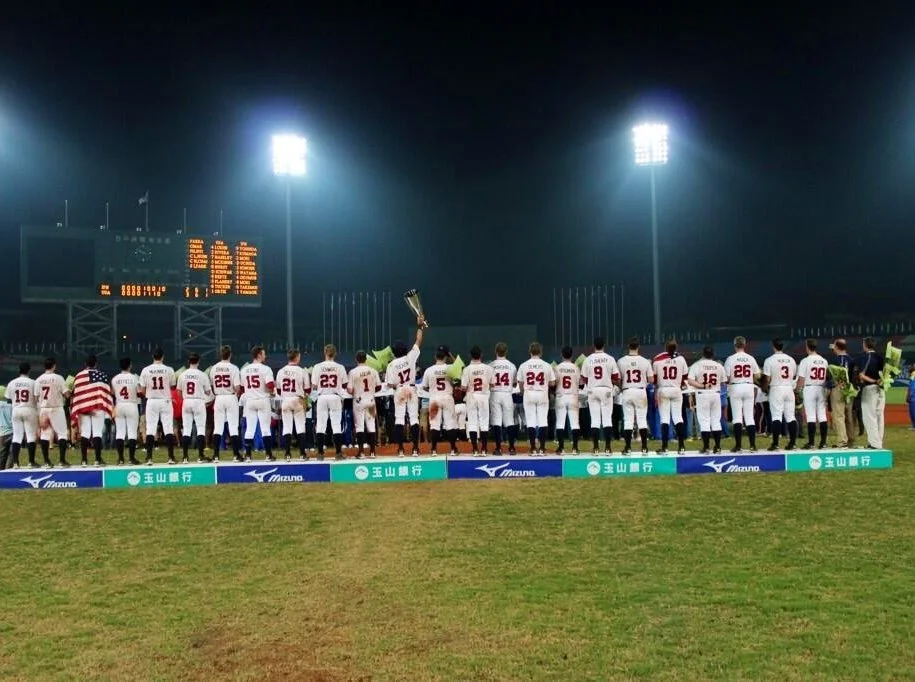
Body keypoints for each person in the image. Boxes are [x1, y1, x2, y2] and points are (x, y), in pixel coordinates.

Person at [384, 316, 425, 456]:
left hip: (400, 389)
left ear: (394, 352)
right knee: (414, 418)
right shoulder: (410, 357)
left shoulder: (391, 364)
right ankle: (415, 448)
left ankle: (400, 449)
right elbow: (418, 341)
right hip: (412, 388)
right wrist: (420, 326)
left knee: (399, 419)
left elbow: (389, 383)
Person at [70, 355, 113, 466]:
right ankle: (97, 459)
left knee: (85, 433)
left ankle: (84, 460)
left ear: (85, 363)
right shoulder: (102, 375)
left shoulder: (79, 376)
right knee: (97, 433)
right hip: (97, 406)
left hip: (83, 407)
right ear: (96, 363)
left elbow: (76, 393)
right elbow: (107, 392)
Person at [581, 336, 620, 454]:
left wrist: (592, 384)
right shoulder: (610, 358)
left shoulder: (588, 359)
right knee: (607, 420)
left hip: (593, 390)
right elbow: (615, 377)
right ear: (604, 345)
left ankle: (596, 448)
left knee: (595, 420)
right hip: (606, 390)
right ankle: (608, 447)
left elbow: (584, 378)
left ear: (594, 346)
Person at [516, 342, 555, 454]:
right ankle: (542, 448)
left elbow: (520, 382)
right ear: (541, 352)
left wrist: (523, 392)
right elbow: (552, 383)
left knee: (531, 421)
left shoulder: (524, 365)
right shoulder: (546, 365)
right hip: (542, 393)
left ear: (530, 352)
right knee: (543, 421)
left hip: (529, 393)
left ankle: (533, 448)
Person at [139, 348, 177, 464]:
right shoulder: (169, 369)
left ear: (153, 357)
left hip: (152, 400)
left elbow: (142, 390)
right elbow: (173, 387)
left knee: (150, 429)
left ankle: (149, 458)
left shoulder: (146, 370)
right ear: (162, 357)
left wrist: (151, 395)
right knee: (168, 428)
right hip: (165, 400)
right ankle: (170, 457)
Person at [724, 336, 762, 453]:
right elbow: (758, 376)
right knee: (749, 417)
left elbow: (727, 377)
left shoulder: (730, 359)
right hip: (748, 386)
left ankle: (738, 445)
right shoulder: (750, 358)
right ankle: (752, 445)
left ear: (735, 345)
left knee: (737, 418)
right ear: (744, 345)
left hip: (736, 386)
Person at [311, 344, 349, 459]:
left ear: (324, 352)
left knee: (321, 425)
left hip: (322, 396)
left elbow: (314, 385)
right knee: (336, 425)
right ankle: (338, 453)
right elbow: (344, 384)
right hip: (335, 396)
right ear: (335, 353)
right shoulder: (340, 367)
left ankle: (320, 453)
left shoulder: (317, 367)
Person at [617, 337, 654, 454]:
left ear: (629, 347)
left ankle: (628, 447)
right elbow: (651, 379)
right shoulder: (645, 361)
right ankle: (644, 447)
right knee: (642, 420)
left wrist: (621, 386)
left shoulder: (621, 361)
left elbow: (617, 378)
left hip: (627, 390)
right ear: (638, 347)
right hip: (640, 390)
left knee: (628, 420)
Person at [688, 346, 727, 454]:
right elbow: (724, 382)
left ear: (703, 354)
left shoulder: (697, 365)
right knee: (716, 421)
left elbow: (690, 381)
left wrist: (702, 385)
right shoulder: (719, 366)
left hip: (703, 393)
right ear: (713, 354)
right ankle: (718, 447)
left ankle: (706, 447)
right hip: (715, 393)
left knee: (704, 421)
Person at [240, 345, 276, 461]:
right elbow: (270, 385)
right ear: (259, 355)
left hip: (250, 400)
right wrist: (271, 391)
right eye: (264, 354)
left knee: (250, 428)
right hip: (263, 399)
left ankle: (248, 455)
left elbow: (241, 388)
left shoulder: (244, 369)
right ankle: (268, 455)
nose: (265, 356)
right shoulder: (266, 369)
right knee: (265, 428)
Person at [653, 340, 689, 454]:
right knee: (678, 417)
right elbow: (685, 376)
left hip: (663, 389)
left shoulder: (658, 359)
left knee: (664, 418)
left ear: (665, 347)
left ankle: (664, 447)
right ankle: (682, 446)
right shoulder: (681, 359)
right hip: (676, 389)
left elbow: (654, 379)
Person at [762, 338, 798, 451]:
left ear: (773, 346)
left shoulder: (770, 360)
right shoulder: (791, 360)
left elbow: (767, 378)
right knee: (791, 417)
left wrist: (764, 388)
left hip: (776, 388)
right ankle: (792, 443)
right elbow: (793, 376)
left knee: (776, 416)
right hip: (788, 388)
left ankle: (776, 443)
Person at [34, 357, 71, 467]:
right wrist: (69, 389)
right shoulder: (58, 378)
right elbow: (66, 394)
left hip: (44, 409)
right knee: (62, 434)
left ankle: (46, 461)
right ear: (54, 366)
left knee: (45, 435)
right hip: (57, 408)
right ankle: (62, 461)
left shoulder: (38, 379)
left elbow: (36, 397)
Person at [209, 345, 243, 462]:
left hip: (219, 397)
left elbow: (212, 385)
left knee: (218, 427)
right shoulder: (234, 368)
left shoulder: (214, 368)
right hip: (230, 397)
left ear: (220, 354)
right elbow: (237, 387)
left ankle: (216, 455)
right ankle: (235, 455)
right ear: (230, 355)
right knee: (233, 427)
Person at [276, 348, 311, 460]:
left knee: (287, 427)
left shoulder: (281, 371)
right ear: (296, 357)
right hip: (298, 399)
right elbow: (308, 389)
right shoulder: (302, 371)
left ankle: (287, 453)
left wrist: (279, 404)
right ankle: (302, 454)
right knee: (300, 427)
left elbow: (278, 390)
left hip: (286, 399)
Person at [422, 347, 458, 454]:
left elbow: (424, 387)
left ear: (435, 357)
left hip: (434, 398)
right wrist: (450, 353)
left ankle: (433, 449)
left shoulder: (429, 370)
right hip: (447, 397)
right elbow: (459, 366)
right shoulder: (450, 368)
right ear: (445, 357)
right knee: (450, 424)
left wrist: (432, 389)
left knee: (435, 425)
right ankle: (452, 449)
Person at [178, 353, 212, 463]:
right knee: (201, 428)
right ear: (198, 362)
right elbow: (208, 392)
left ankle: (185, 457)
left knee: (186, 429)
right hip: (198, 401)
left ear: (189, 362)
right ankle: (200, 456)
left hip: (187, 400)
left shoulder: (183, 374)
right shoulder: (202, 374)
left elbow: (178, 392)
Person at [797, 339, 830, 449]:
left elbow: (801, 379)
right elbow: (827, 377)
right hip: (821, 388)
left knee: (811, 416)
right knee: (822, 415)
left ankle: (811, 443)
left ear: (807, 347)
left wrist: (797, 390)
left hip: (809, 388)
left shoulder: (805, 361)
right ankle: (823, 442)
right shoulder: (824, 361)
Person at [460, 346, 493, 456]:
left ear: (470, 355)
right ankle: (483, 449)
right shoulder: (488, 368)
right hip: (483, 396)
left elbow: (464, 387)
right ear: (481, 355)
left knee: (472, 422)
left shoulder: (467, 369)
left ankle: (475, 449)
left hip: (472, 396)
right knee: (484, 423)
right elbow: (492, 384)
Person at [348, 350, 381, 458]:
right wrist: (371, 391)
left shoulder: (353, 372)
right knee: (371, 426)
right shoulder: (373, 370)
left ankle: (361, 452)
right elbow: (379, 387)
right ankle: (372, 452)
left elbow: (350, 389)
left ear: (356, 359)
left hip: (359, 401)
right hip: (370, 400)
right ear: (366, 359)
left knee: (360, 426)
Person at [6, 362, 38, 468]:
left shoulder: (12, 383)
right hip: (29, 409)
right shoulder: (33, 382)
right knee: (30, 436)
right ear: (29, 370)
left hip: (16, 409)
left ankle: (15, 463)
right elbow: (37, 398)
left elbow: (8, 398)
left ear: (19, 370)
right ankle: (31, 462)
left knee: (17, 436)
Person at [111, 357, 142, 465]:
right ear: (130, 365)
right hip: (131, 404)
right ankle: (131, 458)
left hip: (119, 404)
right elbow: (140, 392)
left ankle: (120, 459)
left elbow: (113, 393)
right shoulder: (134, 378)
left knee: (120, 432)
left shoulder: (115, 379)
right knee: (132, 433)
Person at [857, 337, 886, 449]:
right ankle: (878, 441)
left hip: (870, 389)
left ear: (865, 345)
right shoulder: (881, 357)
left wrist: (872, 380)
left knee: (870, 417)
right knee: (879, 416)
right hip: (881, 389)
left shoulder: (866, 357)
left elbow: (861, 375)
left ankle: (874, 444)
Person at [827, 339, 856, 448]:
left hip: (838, 389)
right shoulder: (852, 360)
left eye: (834, 346)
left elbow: (830, 378)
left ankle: (842, 441)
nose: (833, 348)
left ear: (837, 347)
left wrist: (829, 389)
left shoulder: (834, 360)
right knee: (849, 415)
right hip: (850, 389)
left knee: (839, 416)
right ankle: (851, 439)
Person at [553, 346, 582, 455]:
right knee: (575, 423)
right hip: (573, 396)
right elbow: (580, 383)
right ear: (572, 355)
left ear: (562, 354)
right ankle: (575, 448)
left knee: (560, 423)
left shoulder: (557, 368)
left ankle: (561, 448)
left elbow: (554, 383)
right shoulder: (576, 368)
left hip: (561, 396)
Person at [0, 389, 11, 470]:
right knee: (12, 455)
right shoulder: (11, 405)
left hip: (1, 433)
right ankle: (9, 470)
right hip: (13, 432)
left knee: (2, 454)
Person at [907, 365, 915, 430]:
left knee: (913, 411)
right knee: (912, 411)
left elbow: (912, 387)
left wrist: (909, 395)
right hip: (912, 396)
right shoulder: (912, 375)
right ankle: (913, 425)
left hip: (913, 397)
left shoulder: (913, 374)